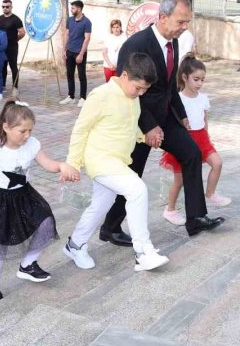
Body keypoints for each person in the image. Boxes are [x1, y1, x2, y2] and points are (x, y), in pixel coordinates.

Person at [100, 0, 224, 242]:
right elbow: (129, 93)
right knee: (132, 176)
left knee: (192, 153)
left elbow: (169, 86)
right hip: (139, 122)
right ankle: (110, 227)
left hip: (166, 117)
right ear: (163, 17)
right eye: (181, 21)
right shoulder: (136, 45)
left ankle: (196, 218)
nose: (184, 27)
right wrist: (149, 127)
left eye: (187, 22)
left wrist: (181, 115)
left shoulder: (173, 41)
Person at [0, 101, 79, 308]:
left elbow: (48, 164)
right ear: (6, 127)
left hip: (23, 195)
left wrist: (62, 166)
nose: (27, 135)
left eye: (30, 130)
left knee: (46, 221)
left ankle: (27, 265)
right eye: (22, 131)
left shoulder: (32, 144)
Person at [62, 52, 170, 272]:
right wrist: (72, 163)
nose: (141, 93)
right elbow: (81, 129)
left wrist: (144, 136)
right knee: (137, 190)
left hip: (117, 161)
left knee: (101, 204)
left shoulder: (133, 97)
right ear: (124, 75)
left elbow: (124, 126)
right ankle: (143, 252)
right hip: (99, 159)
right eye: (138, 88)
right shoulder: (101, 95)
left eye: (145, 90)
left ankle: (75, 244)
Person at [160, 57, 228, 226]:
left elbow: (205, 120)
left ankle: (210, 194)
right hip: (184, 140)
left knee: (217, 163)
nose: (199, 83)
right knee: (180, 180)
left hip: (202, 139)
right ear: (184, 77)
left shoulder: (203, 98)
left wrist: (207, 138)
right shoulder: (178, 99)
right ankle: (170, 209)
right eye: (196, 79)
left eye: (202, 80)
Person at [60, 0, 92, 106]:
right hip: (69, 51)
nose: (71, 10)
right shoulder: (70, 20)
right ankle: (71, 96)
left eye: (73, 8)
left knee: (82, 75)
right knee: (69, 74)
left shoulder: (87, 22)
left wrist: (81, 54)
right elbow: (67, 35)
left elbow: (87, 39)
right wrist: (64, 50)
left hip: (79, 52)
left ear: (79, 8)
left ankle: (83, 98)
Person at [0, 0, 24, 97]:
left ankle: (15, 87)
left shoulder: (16, 19)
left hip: (12, 47)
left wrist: (15, 39)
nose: (5, 8)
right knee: (3, 66)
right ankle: (3, 85)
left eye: (7, 6)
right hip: (2, 47)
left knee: (13, 67)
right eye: (3, 7)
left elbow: (22, 32)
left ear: (11, 7)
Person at [101, 19, 126, 83]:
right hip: (108, 66)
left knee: (120, 85)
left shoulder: (125, 37)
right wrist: (110, 65)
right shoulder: (108, 38)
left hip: (120, 67)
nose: (115, 29)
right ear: (111, 28)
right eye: (113, 27)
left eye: (117, 27)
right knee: (109, 85)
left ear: (120, 27)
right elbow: (104, 52)